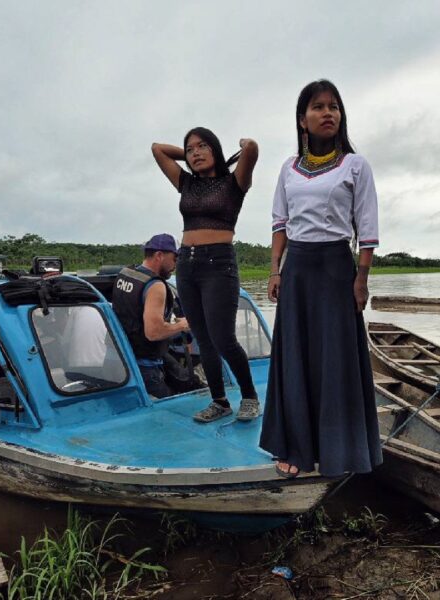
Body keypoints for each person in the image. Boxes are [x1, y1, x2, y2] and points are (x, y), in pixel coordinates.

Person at [259, 79, 383, 478]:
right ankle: (297, 448)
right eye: (318, 107)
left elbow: (367, 227)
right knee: (295, 358)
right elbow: (280, 222)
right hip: (297, 270)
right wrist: (275, 270)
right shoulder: (288, 169)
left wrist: (361, 279)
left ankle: (340, 452)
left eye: (333, 106)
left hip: (335, 269)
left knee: (336, 359)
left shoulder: (355, 166)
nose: (327, 113)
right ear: (302, 119)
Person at [152, 129, 260, 423]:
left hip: (219, 264)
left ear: (215, 149)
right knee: (203, 338)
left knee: (223, 338)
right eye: (190, 149)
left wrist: (241, 145)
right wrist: (188, 158)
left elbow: (251, 149)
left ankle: (249, 396)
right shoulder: (186, 182)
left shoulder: (234, 183)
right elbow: (158, 149)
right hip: (187, 265)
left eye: (202, 147)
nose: (195, 153)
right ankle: (219, 402)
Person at [112, 234, 194, 398]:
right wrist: (183, 325)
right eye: (175, 258)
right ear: (159, 255)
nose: (176, 264)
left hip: (120, 360)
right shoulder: (156, 286)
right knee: (171, 407)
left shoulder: (126, 274)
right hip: (144, 366)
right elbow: (154, 332)